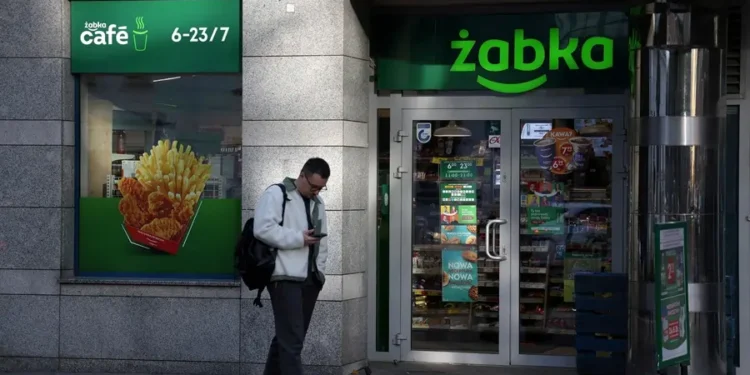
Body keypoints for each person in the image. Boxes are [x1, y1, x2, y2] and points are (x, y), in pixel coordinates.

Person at [253, 157, 330, 375]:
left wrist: (320, 273)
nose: (316, 191)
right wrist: (298, 238)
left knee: (287, 339)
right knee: (292, 343)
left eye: (321, 188)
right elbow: (263, 228)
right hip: (284, 278)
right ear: (302, 175)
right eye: (313, 186)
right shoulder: (277, 194)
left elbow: (323, 240)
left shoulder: (319, 202)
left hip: (310, 279)